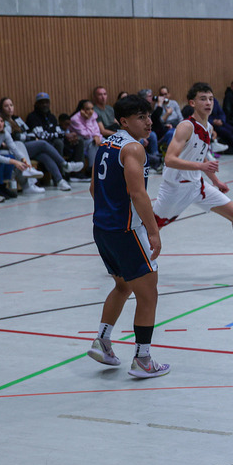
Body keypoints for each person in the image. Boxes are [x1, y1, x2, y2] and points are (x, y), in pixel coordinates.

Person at [152, 83, 233, 272]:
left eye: (211, 99)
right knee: (152, 228)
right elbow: (170, 160)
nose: (208, 102)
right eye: (203, 99)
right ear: (192, 103)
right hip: (176, 188)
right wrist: (201, 167)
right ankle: (127, 262)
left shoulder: (207, 126)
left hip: (197, 186)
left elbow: (200, 153)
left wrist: (215, 180)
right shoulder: (186, 126)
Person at [86, 94, 170, 379]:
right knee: (149, 295)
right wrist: (153, 231)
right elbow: (138, 193)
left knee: (123, 287)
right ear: (124, 121)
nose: (148, 122)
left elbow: (93, 190)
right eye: (140, 118)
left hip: (102, 229)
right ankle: (143, 359)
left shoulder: (106, 144)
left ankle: (102, 340)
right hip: (126, 232)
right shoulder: (133, 149)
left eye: (148, 116)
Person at [0, 97, 82, 191]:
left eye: (11, 105)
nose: (9, 108)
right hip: (17, 148)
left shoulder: (17, 119)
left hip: (27, 145)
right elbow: (15, 137)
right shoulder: (2, 122)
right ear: (1, 109)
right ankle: (65, 164)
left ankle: (60, 181)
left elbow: (29, 132)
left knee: (44, 155)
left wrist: (29, 137)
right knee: (42, 144)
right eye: (6, 106)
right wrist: (30, 137)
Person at [69, 99, 104, 166]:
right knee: (93, 143)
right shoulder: (75, 119)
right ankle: (92, 168)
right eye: (88, 109)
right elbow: (85, 135)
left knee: (105, 142)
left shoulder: (93, 115)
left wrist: (97, 136)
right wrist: (88, 120)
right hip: (80, 142)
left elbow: (97, 130)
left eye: (92, 109)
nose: (91, 111)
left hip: (92, 138)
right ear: (82, 110)